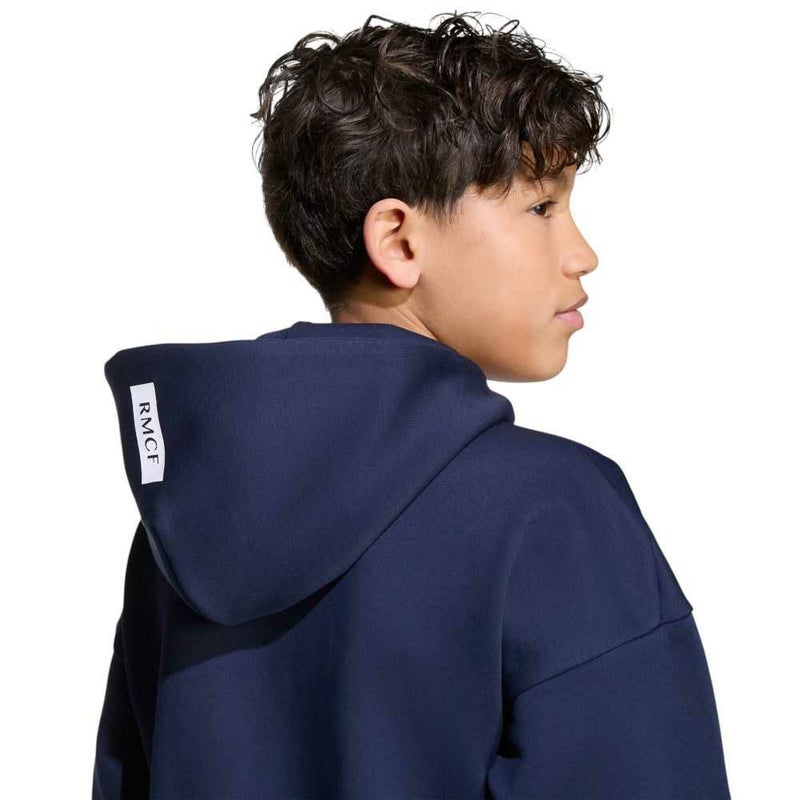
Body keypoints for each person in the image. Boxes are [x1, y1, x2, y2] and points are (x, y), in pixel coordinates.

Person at [92, 11, 731, 799]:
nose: (582, 253)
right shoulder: (553, 511)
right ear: (398, 240)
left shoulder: (186, 531)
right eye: (541, 208)